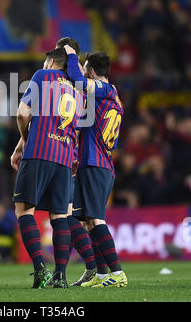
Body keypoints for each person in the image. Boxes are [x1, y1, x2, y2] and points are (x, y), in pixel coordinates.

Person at [12, 48, 84, 289]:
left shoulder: (43, 75)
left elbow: (23, 113)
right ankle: (61, 276)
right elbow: (76, 129)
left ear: (51, 61)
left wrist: (25, 141)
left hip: (39, 152)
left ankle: (40, 270)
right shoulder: (79, 91)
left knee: (24, 211)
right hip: (64, 157)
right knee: (60, 216)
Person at [64, 45, 128, 288]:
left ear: (91, 71)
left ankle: (118, 273)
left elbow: (80, 83)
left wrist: (71, 54)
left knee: (96, 220)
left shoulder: (106, 89)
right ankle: (102, 273)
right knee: (88, 221)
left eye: (84, 68)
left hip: (97, 164)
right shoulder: (106, 96)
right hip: (93, 163)